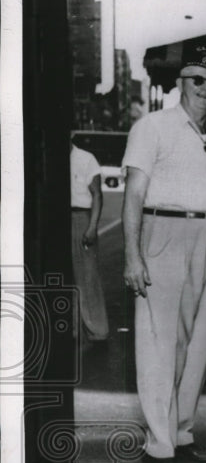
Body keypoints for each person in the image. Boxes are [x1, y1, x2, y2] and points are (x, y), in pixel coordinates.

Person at [121, 44, 206, 463]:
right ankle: (159, 445)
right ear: (181, 83)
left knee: (197, 344)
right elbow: (133, 195)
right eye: (197, 81)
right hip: (164, 233)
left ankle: (183, 431)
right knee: (159, 342)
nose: (205, 89)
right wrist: (132, 256)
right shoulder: (152, 127)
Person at [69, 134, 110, 344]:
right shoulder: (52, 157)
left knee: (87, 276)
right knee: (65, 276)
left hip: (81, 218)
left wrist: (92, 227)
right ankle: (73, 330)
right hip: (59, 219)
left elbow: (97, 195)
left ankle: (98, 330)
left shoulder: (86, 158)